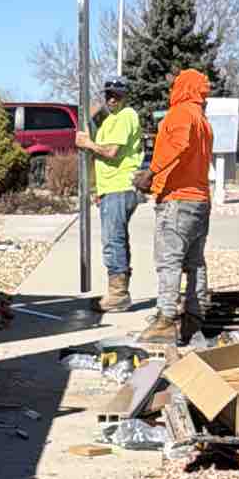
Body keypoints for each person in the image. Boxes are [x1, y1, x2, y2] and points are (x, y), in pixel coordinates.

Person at [140, 67, 215, 345]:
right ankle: (193, 319)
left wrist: (151, 172)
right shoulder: (203, 120)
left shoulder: (183, 113)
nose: (171, 86)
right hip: (199, 201)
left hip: (178, 200)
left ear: (184, 88)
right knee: (195, 262)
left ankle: (165, 320)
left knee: (169, 262)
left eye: (176, 83)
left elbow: (180, 143)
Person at [74, 75, 143, 310]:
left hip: (120, 187)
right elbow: (93, 116)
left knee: (113, 241)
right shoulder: (110, 118)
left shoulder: (126, 116)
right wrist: (97, 188)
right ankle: (118, 291)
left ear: (125, 96)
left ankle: (118, 294)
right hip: (110, 188)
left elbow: (111, 152)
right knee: (116, 239)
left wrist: (87, 144)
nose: (112, 99)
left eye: (117, 95)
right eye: (108, 94)